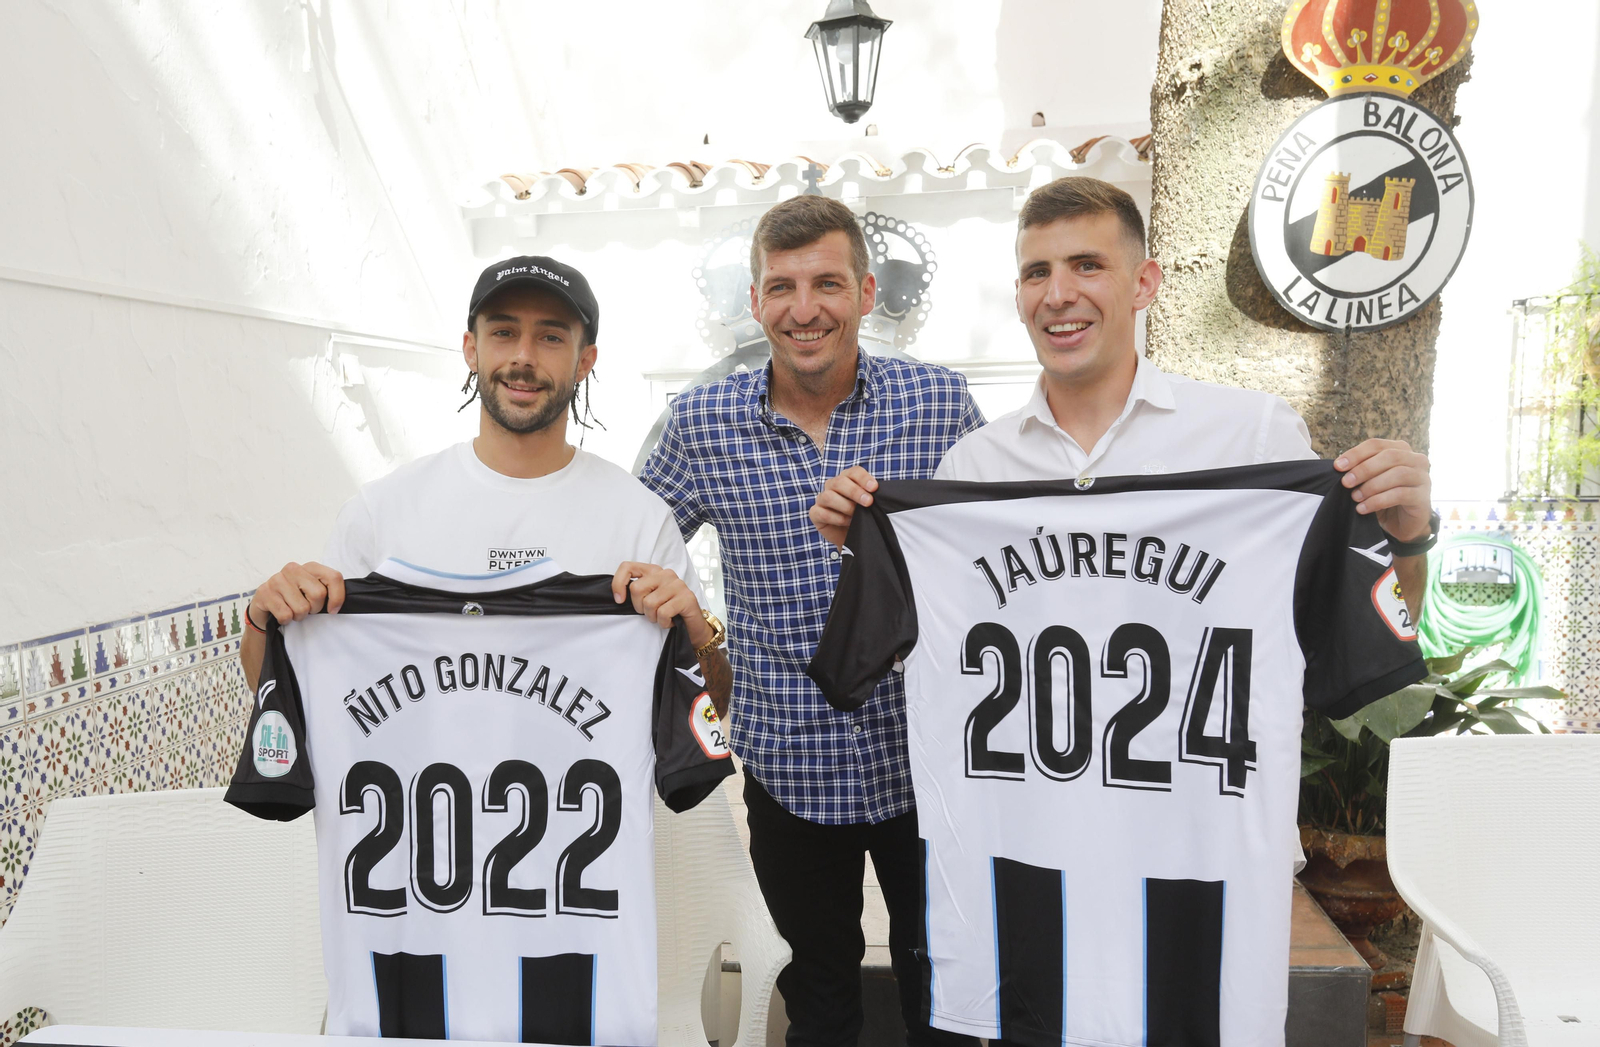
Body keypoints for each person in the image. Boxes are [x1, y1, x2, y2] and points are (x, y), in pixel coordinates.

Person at [638, 196, 983, 1047]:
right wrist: (693, 621)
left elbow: (996, 556)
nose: (805, 309)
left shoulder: (939, 403)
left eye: (827, 283)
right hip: (789, 764)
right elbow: (631, 548)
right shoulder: (701, 423)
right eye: (782, 287)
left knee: (945, 991)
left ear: (866, 292)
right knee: (819, 995)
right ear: (755, 302)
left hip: (930, 762)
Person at [811, 176, 1436, 614]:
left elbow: (1356, 622)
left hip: (1202, 808)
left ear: (1144, 284)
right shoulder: (973, 468)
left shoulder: (1254, 436)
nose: (1057, 295)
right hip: (1027, 804)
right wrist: (864, 547)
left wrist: (1405, 540)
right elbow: (929, 634)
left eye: (1087, 265)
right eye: (1037, 273)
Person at [241, 254, 730, 714]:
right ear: (471, 349)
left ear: (585, 361)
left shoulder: (640, 520)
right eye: (503, 332)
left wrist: (695, 631)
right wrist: (262, 619)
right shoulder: (380, 512)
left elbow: (712, 707)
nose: (523, 357)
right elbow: (301, 691)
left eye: (552, 337)